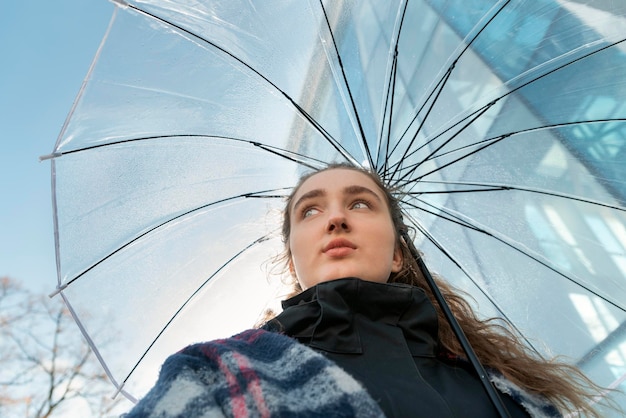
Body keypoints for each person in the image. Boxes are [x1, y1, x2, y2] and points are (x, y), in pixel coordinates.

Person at [125, 163, 603, 418]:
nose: (335, 217)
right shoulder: (224, 373)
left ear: (399, 253)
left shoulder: (503, 388)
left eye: (360, 202)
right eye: (309, 211)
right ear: (295, 260)